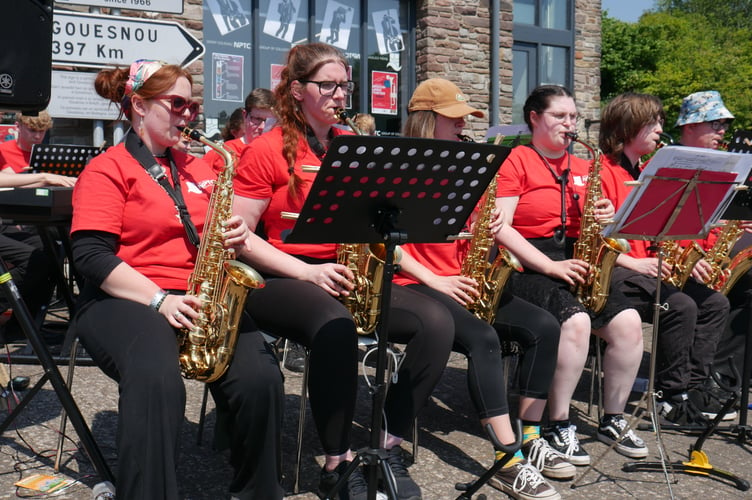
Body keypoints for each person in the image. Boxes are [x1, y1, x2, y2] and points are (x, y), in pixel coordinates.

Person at [232, 42, 454, 500]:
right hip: (277, 275)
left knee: (437, 323)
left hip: (340, 271)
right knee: (336, 326)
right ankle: (337, 465)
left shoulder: (351, 145)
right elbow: (241, 237)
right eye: (327, 85)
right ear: (296, 90)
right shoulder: (265, 150)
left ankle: (385, 446)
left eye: (344, 86)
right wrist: (306, 273)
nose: (339, 95)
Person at [70, 59, 284, 499]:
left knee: (262, 379)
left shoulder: (204, 167)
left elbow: (224, 233)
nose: (189, 114)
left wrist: (238, 233)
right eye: (178, 103)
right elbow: (90, 257)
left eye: (194, 104)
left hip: (200, 297)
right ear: (139, 106)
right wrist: (158, 300)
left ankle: (257, 491)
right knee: (155, 378)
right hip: (124, 298)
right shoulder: (107, 168)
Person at [396, 78, 566, 500]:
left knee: (544, 327)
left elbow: (480, 235)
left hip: (463, 279)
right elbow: (383, 243)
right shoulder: (399, 167)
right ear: (426, 121)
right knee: (483, 338)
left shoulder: (467, 169)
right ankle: (507, 460)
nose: (462, 128)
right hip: (417, 283)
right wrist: (436, 279)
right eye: (454, 120)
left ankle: (530, 436)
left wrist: (487, 233)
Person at [493, 85, 648, 466]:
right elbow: (502, 227)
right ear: (534, 118)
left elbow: (599, 225)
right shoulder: (516, 160)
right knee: (576, 322)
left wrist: (607, 216)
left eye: (574, 117)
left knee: (628, 323)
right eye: (559, 116)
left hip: (576, 257)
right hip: (528, 261)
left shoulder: (584, 166)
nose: (569, 123)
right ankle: (557, 423)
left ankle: (613, 417)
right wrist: (548, 266)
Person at [599, 92, 732, 426]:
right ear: (628, 127)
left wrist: (685, 255)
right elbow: (596, 242)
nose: (660, 129)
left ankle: (694, 388)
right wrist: (636, 263)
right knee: (681, 305)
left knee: (715, 304)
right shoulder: (601, 172)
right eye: (652, 122)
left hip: (650, 267)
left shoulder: (651, 172)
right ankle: (668, 397)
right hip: (618, 270)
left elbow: (664, 229)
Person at [671, 90, 749, 409]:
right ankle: (694, 383)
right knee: (708, 302)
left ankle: (724, 377)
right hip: (678, 261)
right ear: (690, 125)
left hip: (709, 257)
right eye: (716, 124)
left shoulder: (723, 168)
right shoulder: (669, 164)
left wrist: (738, 229)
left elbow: (716, 224)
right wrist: (691, 257)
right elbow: (660, 227)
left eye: (725, 126)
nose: (723, 133)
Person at [204, 88, 277, 174]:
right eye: (257, 119)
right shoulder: (222, 152)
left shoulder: (279, 153)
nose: (262, 127)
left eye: (268, 121)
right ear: (245, 115)